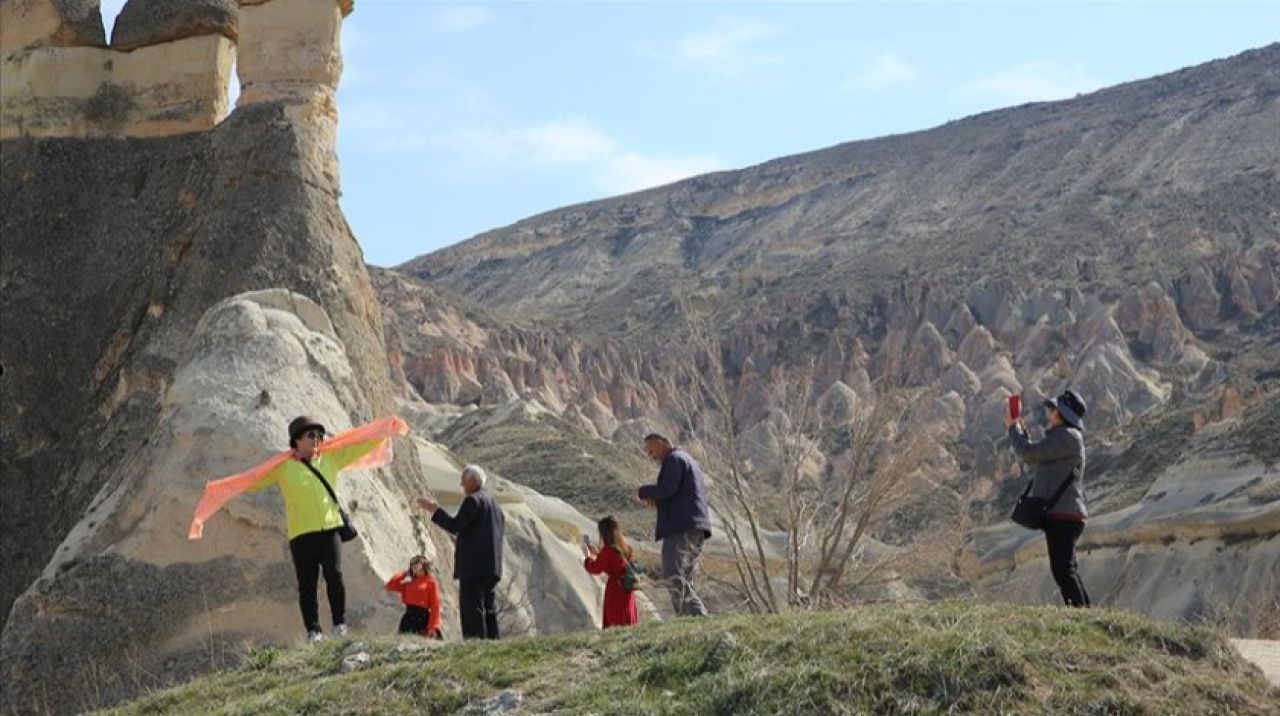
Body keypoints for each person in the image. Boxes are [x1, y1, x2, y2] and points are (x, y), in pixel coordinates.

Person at [245, 416, 398, 642]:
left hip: (330, 529)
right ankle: (314, 631)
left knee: (334, 575)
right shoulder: (283, 468)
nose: (317, 439)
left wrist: (385, 430)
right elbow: (252, 480)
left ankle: (339, 624)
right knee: (307, 584)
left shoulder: (330, 459)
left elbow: (358, 446)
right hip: (301, 534)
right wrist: (224, 488)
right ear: (296, 440)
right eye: (311, 435)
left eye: (319, 435)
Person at [1005, 390, 1092, 608]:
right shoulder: (1064, 437)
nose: (1050, 412)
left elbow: (1028, 454)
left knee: (1063, 570)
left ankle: (1081, 618)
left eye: (1053, 409)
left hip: (1065, 515)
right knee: (1066, 569)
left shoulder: (1067, 437)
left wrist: (1012, 428)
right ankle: (1086, 616)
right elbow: (1035, 453)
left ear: (1062, 414)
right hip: (1064, 514)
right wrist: (1021, 431)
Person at [417, 465, 506, 639]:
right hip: (492, 567)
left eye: (463, 480)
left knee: (472, 608)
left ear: (472, 481)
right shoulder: (495, 506)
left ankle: (476, 645)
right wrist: (463, 541)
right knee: (489, 609)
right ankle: (493, 644)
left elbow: (455, 525)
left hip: (474, 566)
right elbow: (482, 534)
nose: (461, 485)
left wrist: (434, 509)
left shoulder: (473, 500)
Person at [636, 433, 712, 617]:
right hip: (696, 526)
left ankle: (697, 617)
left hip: (681, 527)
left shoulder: (674, 460)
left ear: (661, 443)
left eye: (651, 449)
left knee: (673, 573)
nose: (650, 455)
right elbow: (676, 493)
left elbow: (667, 489)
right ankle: (688, 619)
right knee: (685, 576)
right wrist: (659, 500)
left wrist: (643, 492)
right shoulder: (686, 459)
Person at [582, 516, 640, 629]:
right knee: (627, 619)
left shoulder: (608, 550)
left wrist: (587, 557)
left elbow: (594, 568)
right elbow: (616, 563)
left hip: (615, 591)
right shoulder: (626, 548)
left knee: (615, 622)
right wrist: (598, 554)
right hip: (627, 590)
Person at [385, 555, 443, 639]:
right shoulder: (408, 580)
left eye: (417, 562)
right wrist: (405, 574)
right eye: (412, 563)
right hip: (408, 617)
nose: (414, 565)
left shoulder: (431, 581)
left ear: (424, 565)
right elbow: (390, 585)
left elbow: (435, 605)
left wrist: (433, 626)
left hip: (423, 618)